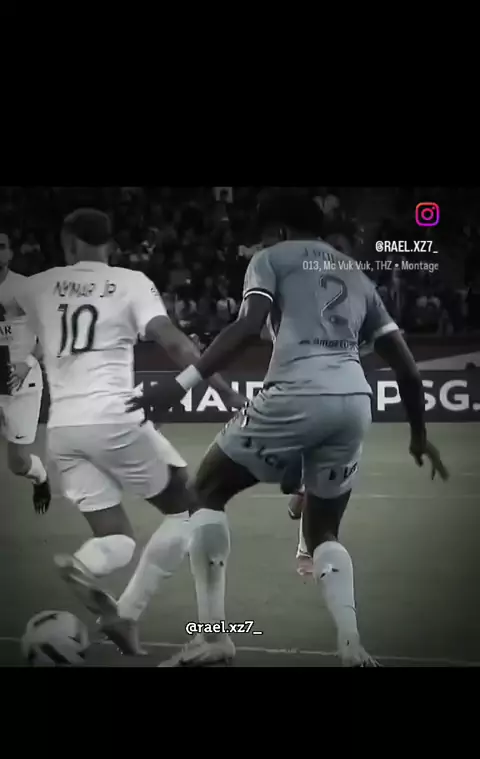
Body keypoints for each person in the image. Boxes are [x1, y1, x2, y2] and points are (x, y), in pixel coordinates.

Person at [127, 191, 449, 668]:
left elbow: (247, 327)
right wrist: (419, 436)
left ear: (277, 230)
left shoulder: (271, 258)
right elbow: (407, 368)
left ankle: (215, 637)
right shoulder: (355, 273)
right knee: (324, 531)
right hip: (353, 402)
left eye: (264, 234)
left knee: (203, 493)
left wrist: (178, 386)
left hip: (295, 394)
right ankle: (351, 644)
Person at [17, 209, 245, 655]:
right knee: (193, 511)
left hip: (62, 428)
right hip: (114, 415)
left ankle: (90, 572)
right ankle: (144, 613)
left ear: (68, 242)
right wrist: (224, 391)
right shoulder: (130, 282)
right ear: (110, 244)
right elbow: (174, 341)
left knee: (115, 537)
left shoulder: (37, 284)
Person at [0, 231, 51, 513]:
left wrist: (27, 363)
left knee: (17, 463)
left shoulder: (24, 289)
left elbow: (49, 334)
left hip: (21, 382)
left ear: (9, 253)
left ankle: (40, 477)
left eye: (1, 247)